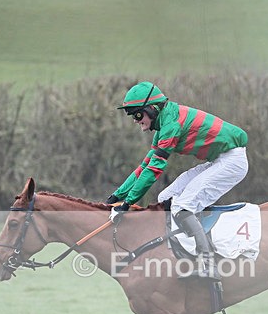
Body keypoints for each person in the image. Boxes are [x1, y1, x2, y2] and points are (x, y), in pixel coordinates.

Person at [106, 81, 248, 280]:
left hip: (232, 161)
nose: (135, 120)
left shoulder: (171, 125)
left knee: (183, 206)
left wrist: (129, 203)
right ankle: (185, 253)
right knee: (166, 198)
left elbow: (154, 169)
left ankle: (208, 263)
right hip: (219, 159)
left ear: (152, 109)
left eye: (137, 114)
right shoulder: (165, 123)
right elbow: (144, 167)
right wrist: (116, 197)